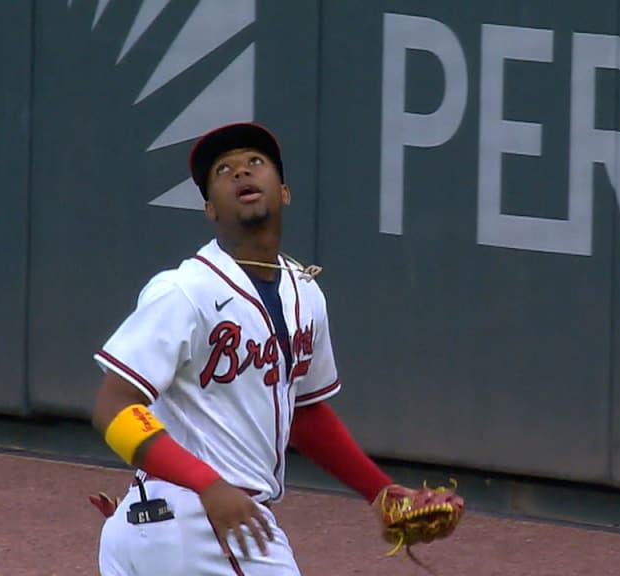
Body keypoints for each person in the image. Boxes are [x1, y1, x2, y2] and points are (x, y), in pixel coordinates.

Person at [90, 122, 459, 575]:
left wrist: (379, 491)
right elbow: (115, 407)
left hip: (161, 524)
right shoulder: (185, 290)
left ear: (283, 192)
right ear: (209, 208)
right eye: (224, 170)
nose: (241, 173)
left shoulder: (305, 295)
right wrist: (207, 485)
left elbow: (303, 412)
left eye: (255, 163)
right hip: (202, 520)